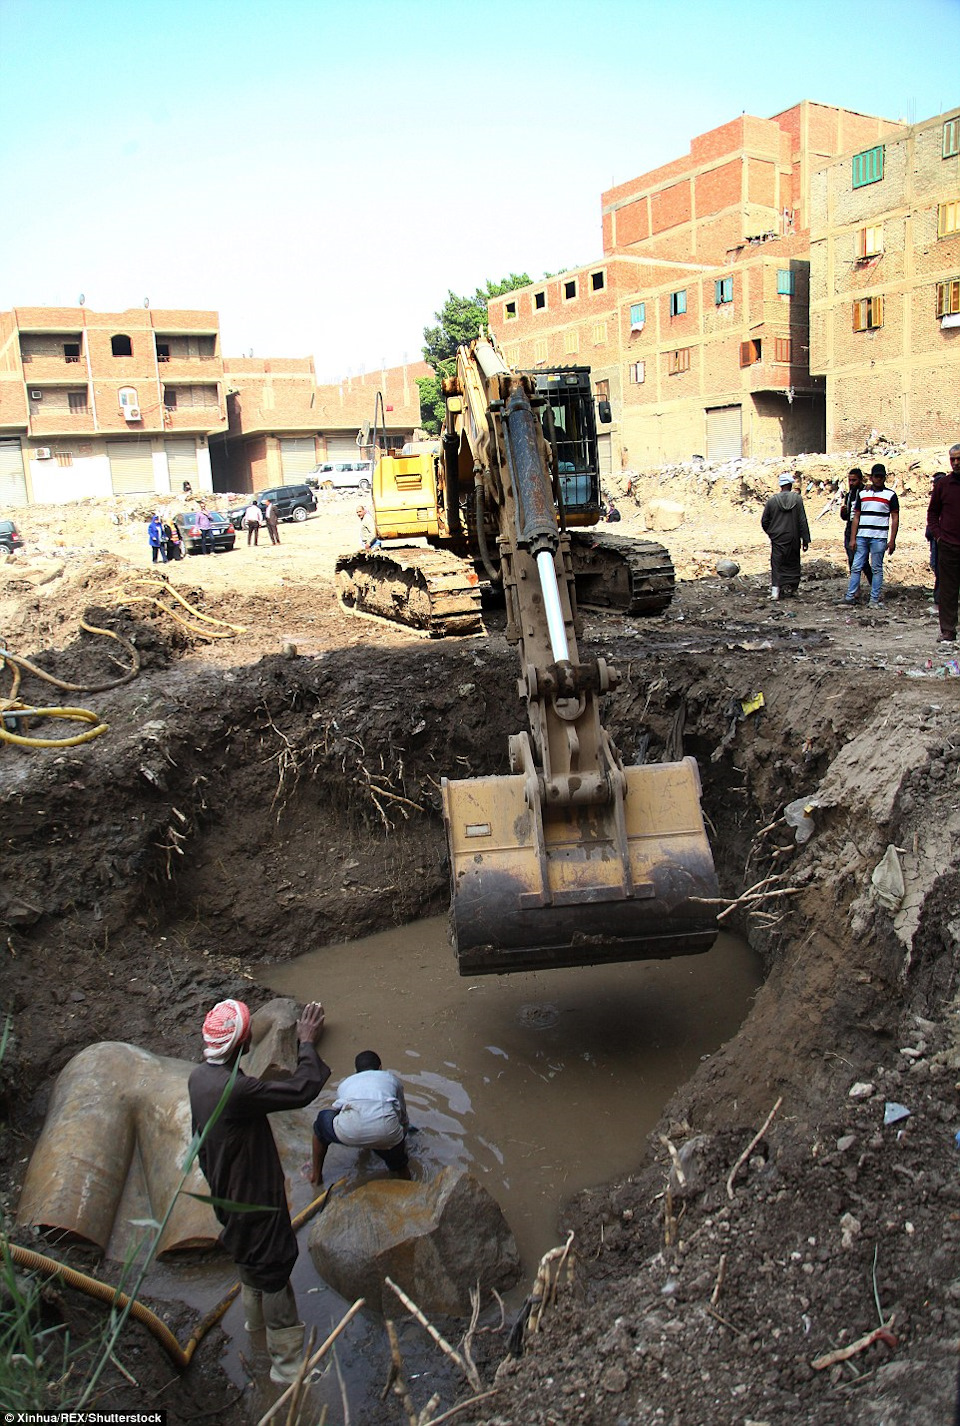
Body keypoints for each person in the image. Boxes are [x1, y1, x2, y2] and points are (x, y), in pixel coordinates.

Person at [188, 998, 328, 1385]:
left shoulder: (199, 1078)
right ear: (244, 1041)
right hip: (253, 1196)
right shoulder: (236, 1090)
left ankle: (255, 1329)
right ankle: (287, 1368)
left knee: (249, 1261)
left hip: (225, 1191)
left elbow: (198, 1137)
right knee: (273, 1268)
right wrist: (307, 1042)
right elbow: (301, 1090)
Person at [311, 1050, 409, 1185]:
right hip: (386, 1132)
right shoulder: (390, 1078)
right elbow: (402, 1116)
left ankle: (316, 1177)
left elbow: (341, 1112)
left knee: (321, 1122)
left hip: (348, 1131)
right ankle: (406, 1179)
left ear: (356, 1071)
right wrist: (401, 1139)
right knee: (400, 1163)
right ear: (380, 1068)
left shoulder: (345, 1084)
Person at [842, 462, 899, 607]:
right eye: (876, 476)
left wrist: (892, 540)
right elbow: (856, 517)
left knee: (876, 568)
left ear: (884, 478)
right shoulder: (863, 494)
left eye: (880, 477)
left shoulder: (890, 495)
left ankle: (874, 599)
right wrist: (853, 538)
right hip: (862, 536)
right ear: (871, 477)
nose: (878, 479)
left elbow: (895, 518)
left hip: (879, 537)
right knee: (856, 566)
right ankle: (851, 596)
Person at [927, 444, 960, 643]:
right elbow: (932, 513)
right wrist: (938, 535)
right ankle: (948, 630)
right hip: (948, 546)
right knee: (947, 590)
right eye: (952, 460)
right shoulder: (943, 485)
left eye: (959, 459)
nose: (956, 463)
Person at [760, 473, 810, 600]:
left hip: (778, 538)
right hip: (793, 537)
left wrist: (772, 533)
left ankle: (775, 591)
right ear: (790, 484)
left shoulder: (772, 501)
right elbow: (802, 520)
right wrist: (805, 539)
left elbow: (764, 521)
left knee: (777, 563)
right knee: (793, 562)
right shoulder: (797, 499)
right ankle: (793, 589)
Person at [840, 468, 872, 589]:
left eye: (854, 480)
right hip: (849, 530)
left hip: (863, 530)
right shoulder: (849, 495)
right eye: (850, 480)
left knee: (863, 562)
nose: (851, 483)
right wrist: (843, 513)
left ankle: (874, 587)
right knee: (852, 561)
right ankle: (856, 590)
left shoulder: (867, 492)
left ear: (860, 480)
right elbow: (847, 517)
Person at [926, 471, 947, 612]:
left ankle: (940, 602)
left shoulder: (946, 496)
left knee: (941, 569)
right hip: (938, 538)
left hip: (944, 538)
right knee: (937, 567)